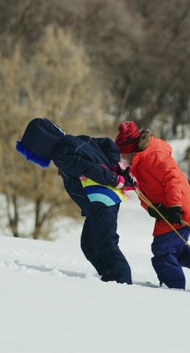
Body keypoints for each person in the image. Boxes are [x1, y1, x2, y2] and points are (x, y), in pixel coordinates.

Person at [16, 117, 133, 285]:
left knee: (105, 242)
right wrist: (115, 166)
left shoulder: (61, 154)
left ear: (40, 145)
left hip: (101, 199)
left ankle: (122, 282)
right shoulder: (80, 140)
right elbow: (108, 144)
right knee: (89, 245)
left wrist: (113, 178)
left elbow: (89, 168)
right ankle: (109, 277)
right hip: (101, 201)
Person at [114, 121, 190, 289]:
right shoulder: (137, 165)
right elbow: (142, 192)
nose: (121, 160)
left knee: (163, 250)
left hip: (179, 209)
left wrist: (174, 207)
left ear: (131, 150)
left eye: (122, 155)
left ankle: (174, 288)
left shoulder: (153, 156)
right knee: (175, 250)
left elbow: (173, 179)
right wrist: (151, 208)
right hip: (168, 211)